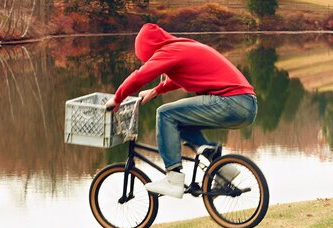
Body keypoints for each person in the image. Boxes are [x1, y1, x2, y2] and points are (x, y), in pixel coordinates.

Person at [105, 23, 257, 198]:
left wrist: (117, 99)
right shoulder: (183, 47)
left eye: (146, 58)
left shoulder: (169, 51)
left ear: (150, 49)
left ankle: (173, 178)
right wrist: (156, 90)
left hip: (231, 101)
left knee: (165, 113)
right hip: (245, 105)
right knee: (180, 124)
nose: (147, 62)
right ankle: (221, 167)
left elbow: (140, 76)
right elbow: (181, 77)